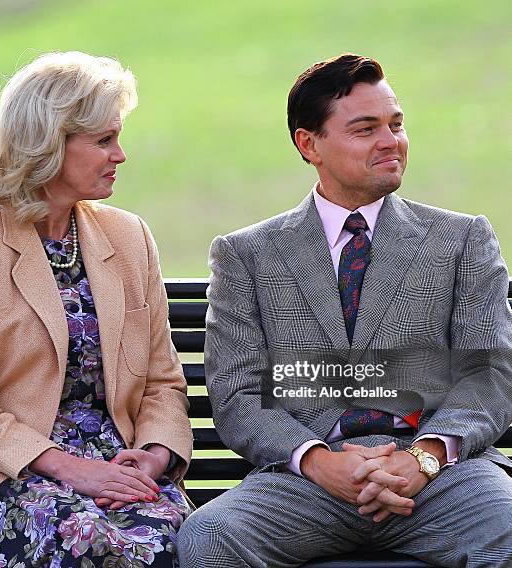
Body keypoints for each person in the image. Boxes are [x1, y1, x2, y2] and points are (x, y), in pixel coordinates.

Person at [177, 53, 512, 567]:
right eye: (365, 129)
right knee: (209, 539)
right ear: (309, 144)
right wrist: (315, 460)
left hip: (444, 476)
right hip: (307, 484)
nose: (390, 142)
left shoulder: (461, 240)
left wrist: (423, 457)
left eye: (396, 125)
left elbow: (487, 374)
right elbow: (238, 391)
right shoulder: (248, 254)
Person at [0, 51, 192, 567]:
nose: (121, 155)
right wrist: (72, 469)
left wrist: (155, 456)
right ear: (48, 144)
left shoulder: (128, 235)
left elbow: (163, 381)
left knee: (191, 543)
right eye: (103, 141)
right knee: (92, 543)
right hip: (13, 476)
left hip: (121, 474)